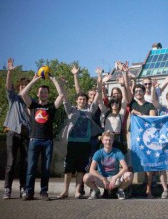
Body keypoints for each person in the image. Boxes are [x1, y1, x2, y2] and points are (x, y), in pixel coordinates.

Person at [57, 68, 103, 199]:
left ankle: (77, 191)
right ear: (77, 101)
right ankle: (65, 191)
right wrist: (62, 85)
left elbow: (98, 94)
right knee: (68, 169)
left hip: (85, 144)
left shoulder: (90, 110)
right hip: (72, 143)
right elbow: (64, 99)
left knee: (81, 169)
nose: (82, 101)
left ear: (86, 101)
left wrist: (99, 76)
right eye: (80, 99)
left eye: (84, 99)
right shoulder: (71, 110)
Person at [21, 73, 64, 201]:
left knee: (45, 169)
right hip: (34, 140)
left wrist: (53, 80)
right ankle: (29, 192)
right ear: (38, 94)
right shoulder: (33, 105)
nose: (43, 94)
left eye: (45, 92)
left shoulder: (51, 107)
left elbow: (61, 96)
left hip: (47, 141)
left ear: (48, 95)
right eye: (41, 92)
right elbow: (23, 94)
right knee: (31, 168)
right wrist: (34, 80)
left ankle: (44, 192)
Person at [3, 58, 31, 199]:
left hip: (26, 135)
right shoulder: (13, 98)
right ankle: (7, 189)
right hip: (13, 133)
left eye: (26, 86)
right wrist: (9, 72)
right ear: (19, 87)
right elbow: (8, 86)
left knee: (24, 163)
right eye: (22, 86)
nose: (23, 88)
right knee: (11, 161)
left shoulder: (30, 101)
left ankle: (23, 188)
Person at [83, 131, 133, 200]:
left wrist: (115, 177)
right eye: (106, 140)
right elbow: (91, 170)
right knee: (86, 177)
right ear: (102, 141)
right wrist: (103, 178)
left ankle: (120, 190)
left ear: (113, 141)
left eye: (110, 140)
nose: (108, 142)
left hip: (114, 179)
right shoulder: (98, 153)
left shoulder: (118, 152)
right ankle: (96, 191)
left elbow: (125, 168)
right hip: (102, 179)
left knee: (129, 175)